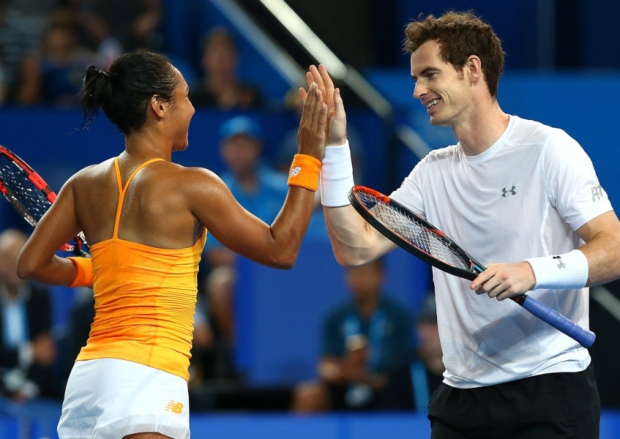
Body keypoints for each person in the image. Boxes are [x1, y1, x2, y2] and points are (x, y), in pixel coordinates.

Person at [310, 10, 620, 438]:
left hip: (549, 389)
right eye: (416, 78)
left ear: (472, 69)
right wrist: (335, 147)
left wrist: (531, 271)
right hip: (462, 398)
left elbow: (614, 249)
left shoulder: (549, 150)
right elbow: (355, 248)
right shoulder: (431, 173)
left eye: (430, 75)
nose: (418, 90)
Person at [15, 50, 327, 438]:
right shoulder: (193, 184)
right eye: (185, 96)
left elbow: (30, 265)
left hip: (88, 381)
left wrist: (94, 271)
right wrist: (309, 153)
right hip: (146, 377)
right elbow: (281, 249)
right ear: (159, 106)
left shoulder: (83, 183)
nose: (193, 108)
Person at [292, 258, 414, 413]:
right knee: (308, 395)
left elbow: (407, 367)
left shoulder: (399, 316)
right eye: (354, 272)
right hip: (344, 387)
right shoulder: (336, 316)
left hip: (385, 389)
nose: (359, 279)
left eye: (365, 272)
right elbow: (325, 365)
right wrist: (343, 372)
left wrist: (370, 378)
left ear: (382, 275)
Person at [0, 228, 60, 402]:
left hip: (32, 387)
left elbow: (46, 353)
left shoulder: (40, 297)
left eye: (20, 257)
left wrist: (27, 390)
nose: (14, 264)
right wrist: (30, 352)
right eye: (8, 257)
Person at [189, 27, 263, 109]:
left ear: (236, 57)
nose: (220, 57)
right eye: (214, 51)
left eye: (226, 50)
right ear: (204, 59)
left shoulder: (250, 97)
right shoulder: (192, 98)